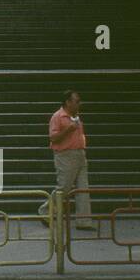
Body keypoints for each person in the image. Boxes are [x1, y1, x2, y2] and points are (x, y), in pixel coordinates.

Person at [37, 89, 94, 231]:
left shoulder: (76, 117)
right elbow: (53, 137)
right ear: (68, 102)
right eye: (76, 101)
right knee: (64, 187)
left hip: (79, 154)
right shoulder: (58, 117)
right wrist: (68, 130)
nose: (79, 104)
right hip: (65, 155)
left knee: (83, 189)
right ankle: (45, 211)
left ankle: (84, 221)